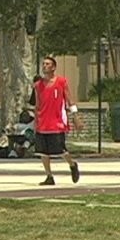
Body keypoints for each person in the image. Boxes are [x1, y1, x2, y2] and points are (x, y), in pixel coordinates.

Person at [33, 56, 83, 185]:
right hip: (42, 123)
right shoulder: (38, 85)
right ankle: (49, 176)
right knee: (43, 152)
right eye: (43, 64)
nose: (45, 66)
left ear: (54, 67)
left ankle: (72, 165)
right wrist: (36, 120)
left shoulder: (61, 82)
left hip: (56, 122)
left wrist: (75, 116)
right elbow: (37, 104)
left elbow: (69, 100)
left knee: (61, 150)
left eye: (48, 64)